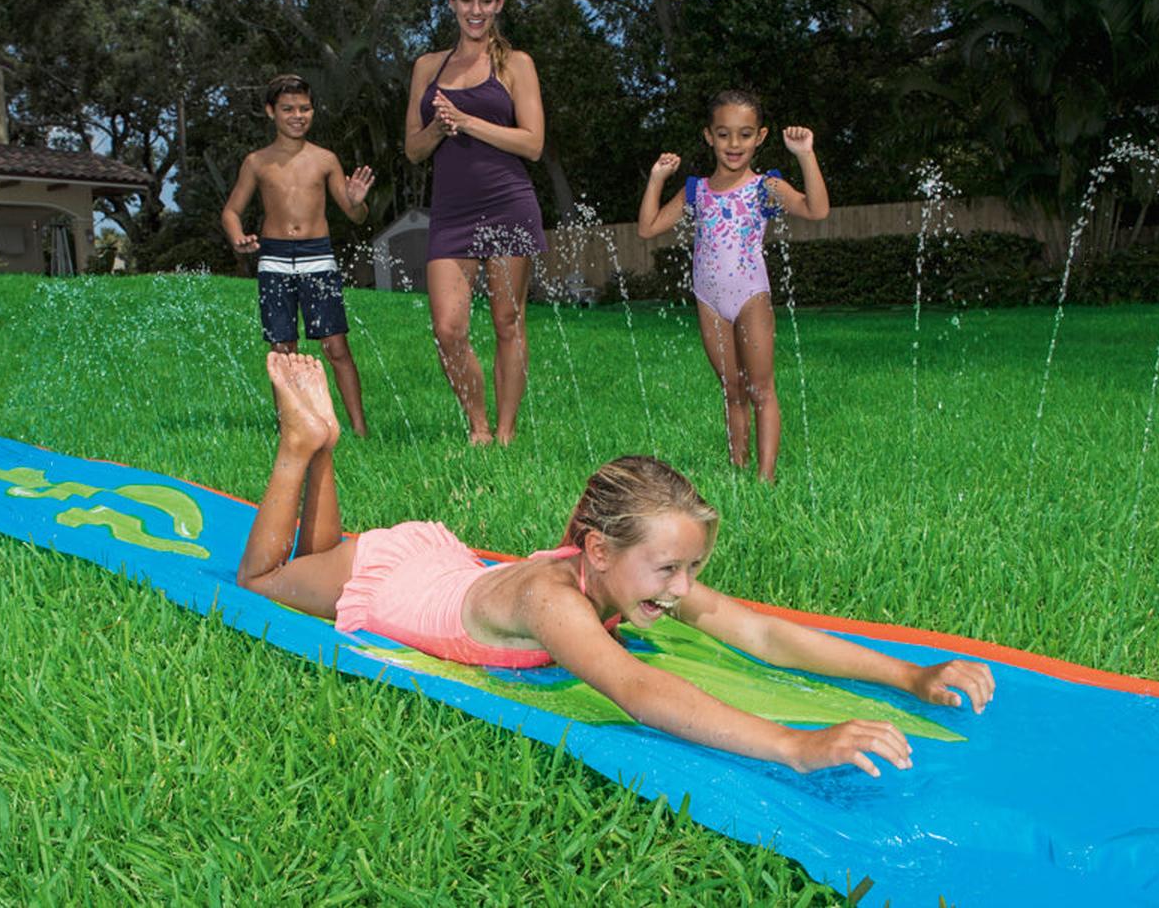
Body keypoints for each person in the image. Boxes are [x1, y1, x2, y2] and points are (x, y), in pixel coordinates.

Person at [239, 351, 996, 776]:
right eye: (669, 570)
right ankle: (301, 445)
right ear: (599, 551)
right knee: (264, 583)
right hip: (398, 582)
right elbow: (637, 688)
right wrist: (794, 745)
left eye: (691, 569)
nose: (685, 589)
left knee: (318, 557)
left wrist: (909, 675)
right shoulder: (552, 601)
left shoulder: (632, 574)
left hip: (445, 565)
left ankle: (324, 444)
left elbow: (762, 634)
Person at [637, 90, 830, 482]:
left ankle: (765, 477)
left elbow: (817, 209)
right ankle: (737, 467)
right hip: (709, 299)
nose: (734, 144)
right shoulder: (697, 190)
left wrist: (805, 155)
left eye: (744, 134)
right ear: (709, 136)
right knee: (732, 388)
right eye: (724, 134)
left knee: (761, 388)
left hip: (750, 296)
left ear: (760, 136)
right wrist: (656, 179)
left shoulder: (765, 187)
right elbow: (648, 228)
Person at [403, 0, 547, 446]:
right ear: (451, 3)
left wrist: (466, 121)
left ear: (499, 3)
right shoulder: (427, 67)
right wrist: (438, 128)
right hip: (452, 212)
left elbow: (532, 143)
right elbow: (413, 150)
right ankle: (478, 426)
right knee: (447, 328)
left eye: (486, 0)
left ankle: (504, 433)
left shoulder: (515, 64)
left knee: (508, 320)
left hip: (508, 202)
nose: (476, 9)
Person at [222, 73, 375, 437]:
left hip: (317, 256)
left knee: (335, 346)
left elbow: (356, 215)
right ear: (270, 111)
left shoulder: (325, 160)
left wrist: (356, 202)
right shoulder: (257, 162)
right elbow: (230, 211)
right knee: (283, 349)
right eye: (288, 109)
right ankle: (290, 429)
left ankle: (360, 429)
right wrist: (237, 237)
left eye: (304, 108)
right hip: (274, 260)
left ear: (313, 111)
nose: (297, 116)